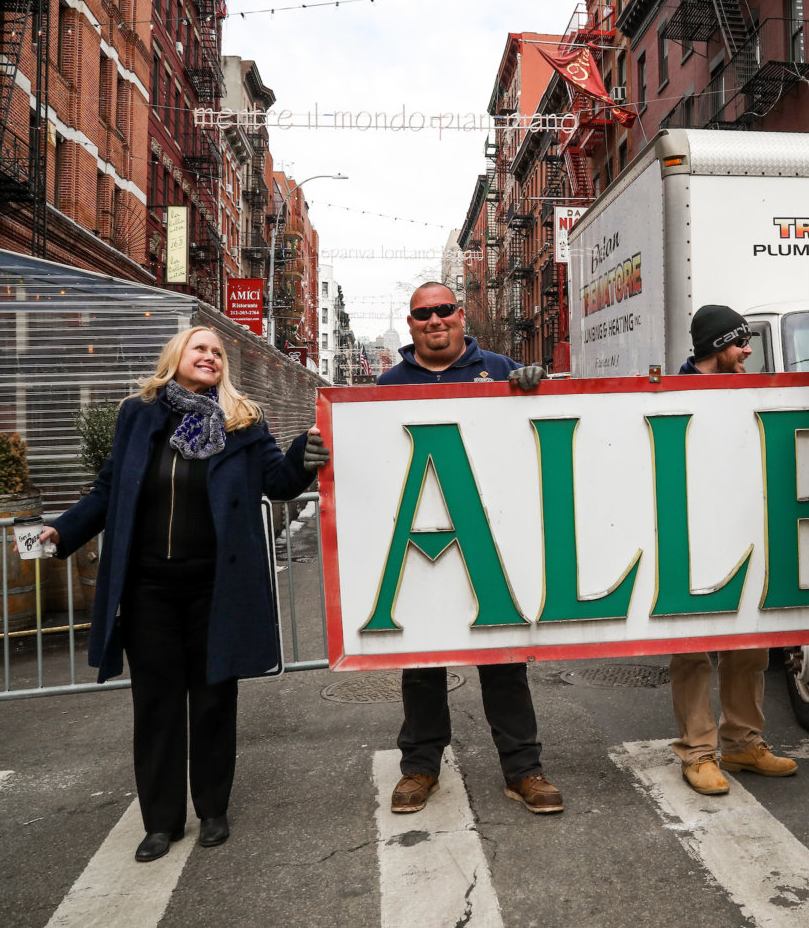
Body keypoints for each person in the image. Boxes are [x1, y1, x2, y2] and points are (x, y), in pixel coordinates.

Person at [44, 326, 330, 862]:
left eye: (218, 352)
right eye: (200, 348)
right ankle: (161, 822)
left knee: (215, 699)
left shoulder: (244, 420)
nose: (211, 356)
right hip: (149, 588)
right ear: (175, 358)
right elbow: (108, 489)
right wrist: (63, 530)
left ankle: (214, 809)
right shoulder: (139, 415)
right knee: (156, 704)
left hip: (216, 586)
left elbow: (279, 480)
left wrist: (304, 451)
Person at [376, 282, 561, 814]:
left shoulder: (501, 369)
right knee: (422, 657)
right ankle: (419, 767)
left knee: (503, 658)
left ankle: (523, 770)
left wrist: (538, 389)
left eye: (444, 310)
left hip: (492, 534)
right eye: (422, 314)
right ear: (411, 325)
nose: (435, 320)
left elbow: (539, 433)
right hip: (421, 538)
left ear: (461, 315)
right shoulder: (390, 383)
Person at [672, 305, 797, 795]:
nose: (748, 350)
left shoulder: (751, 390)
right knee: (693, 650)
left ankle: (743, 743)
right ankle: (698, 751)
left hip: (745, 531)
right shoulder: (669, 394)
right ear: (716, 346)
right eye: (739, 342)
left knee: (750, 645)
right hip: (689, 536)